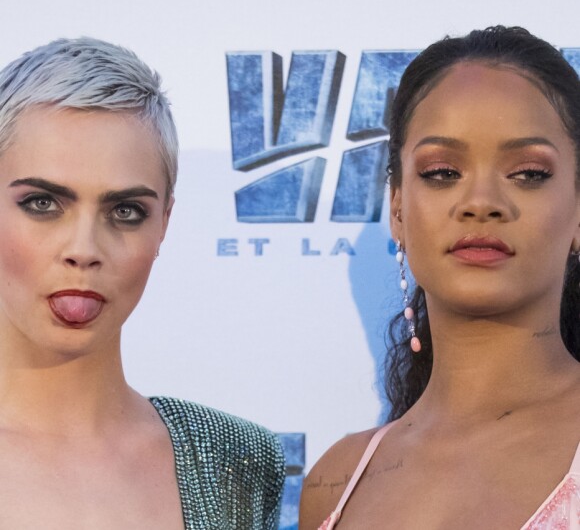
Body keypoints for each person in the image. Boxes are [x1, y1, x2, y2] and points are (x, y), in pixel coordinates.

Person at [299, 26, 580, 529]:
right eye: (442, 172)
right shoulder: (337, 482)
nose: (481, 203)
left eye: (529, 173)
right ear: (398, 208)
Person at [0, 37, 285, 529]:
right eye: (43, 203)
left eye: (125, 212)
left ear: (165, 223)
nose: (84, 249)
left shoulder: (235, 461)